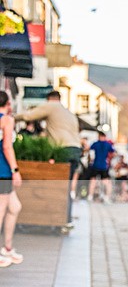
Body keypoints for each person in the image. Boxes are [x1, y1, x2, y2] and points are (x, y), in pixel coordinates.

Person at [17, 91, 81, 225]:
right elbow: (52, 132)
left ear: (49, 99)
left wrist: (11, 117)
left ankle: (58, 219)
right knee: (66, 186)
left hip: (64, 150)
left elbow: (29, 116)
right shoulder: (68, 113)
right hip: (75, 150)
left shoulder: (52, 106)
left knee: (58, 186)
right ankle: (66, 220)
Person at [0, 91, 23, 267]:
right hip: (3, 170)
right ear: (8, 103)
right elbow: (7, 146)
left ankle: (7, 248)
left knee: (15, 207)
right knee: (0, 211)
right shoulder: (7, 120)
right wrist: (15, 170)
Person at [88, 132, 115, 202]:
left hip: (96, 165)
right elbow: (113, 153)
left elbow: (88, 149)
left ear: (99, 136)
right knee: (107, 182)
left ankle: (90, 196)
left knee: (93, 181)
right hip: (104, 166)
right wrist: (109, 159)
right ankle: (107, 197)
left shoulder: (96, 144)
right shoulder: (108, 144)